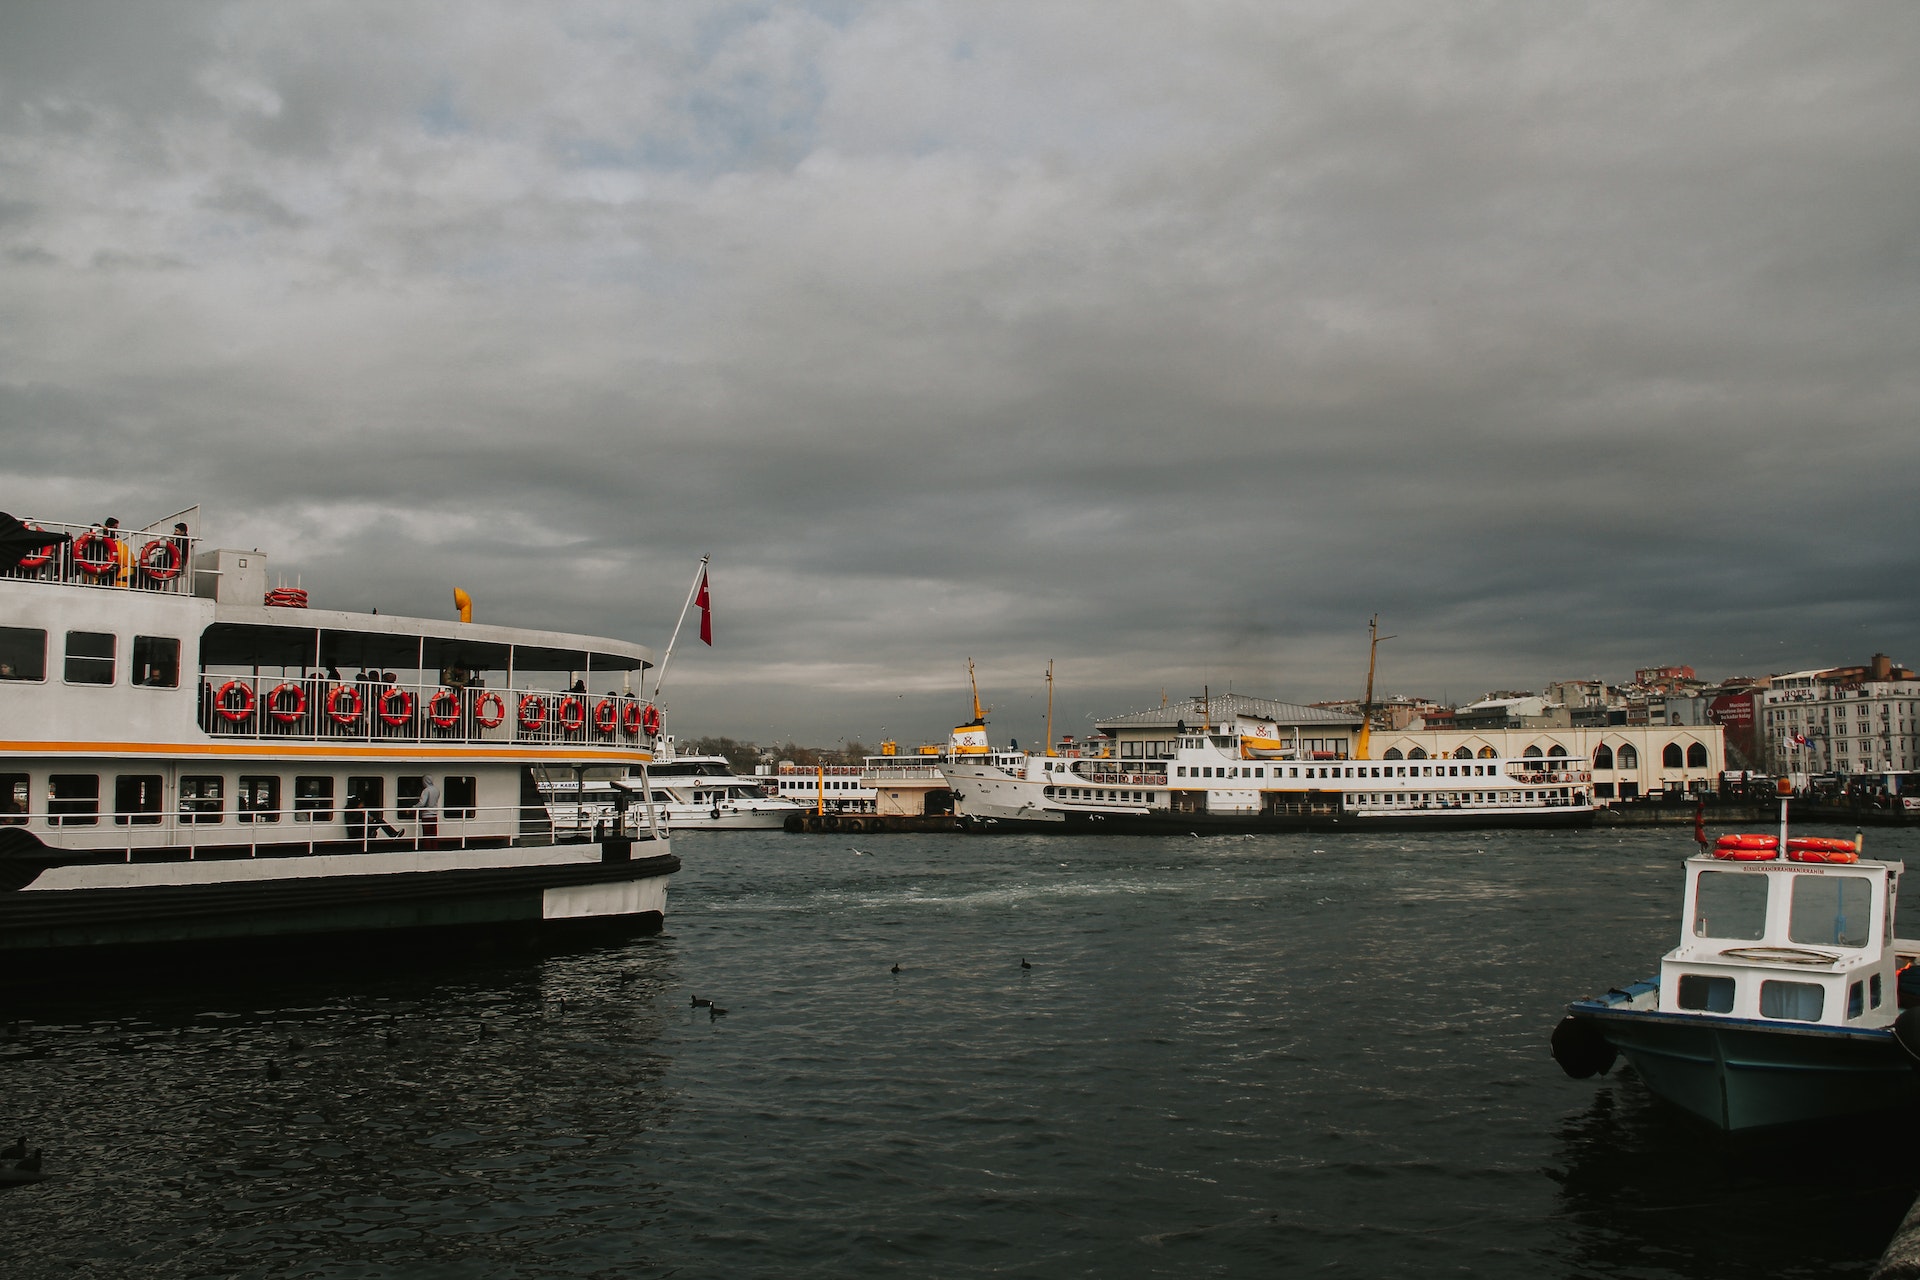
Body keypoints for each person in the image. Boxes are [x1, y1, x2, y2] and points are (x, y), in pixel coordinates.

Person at [417, 775, 440, 839]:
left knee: (427, 835)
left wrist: (414, 807)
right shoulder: (437, 790)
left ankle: (427, 848)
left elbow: (422, 803)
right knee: (433, 835)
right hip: (434, 815)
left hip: (426, 815)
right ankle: (434, 848)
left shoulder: (426, 790)